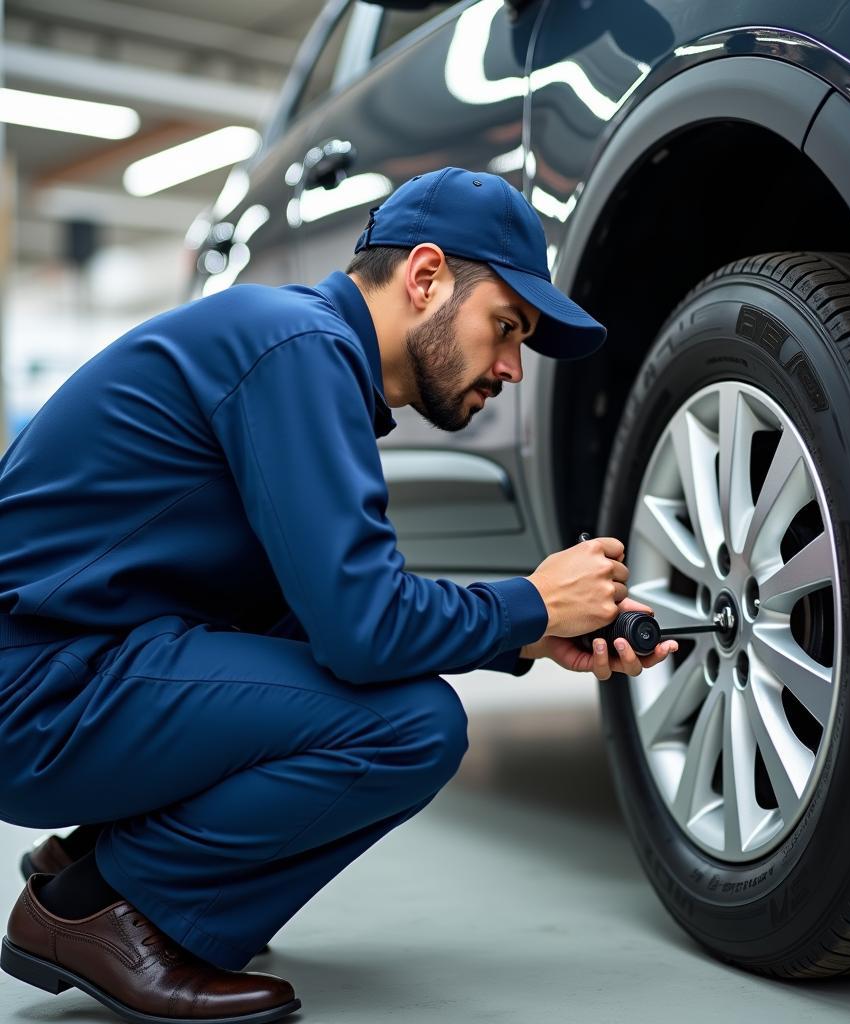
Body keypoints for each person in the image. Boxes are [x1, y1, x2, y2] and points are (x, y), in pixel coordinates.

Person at [0, 167, 677, 1023]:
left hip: (59, 672)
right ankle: (103, 908)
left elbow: (322, 612)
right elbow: (363, 631)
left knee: (316, 640)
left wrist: (526, 639)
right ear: (425, 276)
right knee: (411, 726)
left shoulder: (293, 344)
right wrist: (531, 601)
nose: (512, 368)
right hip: (33, 692)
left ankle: (95, 859)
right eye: (506, 327)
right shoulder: (299, 348)